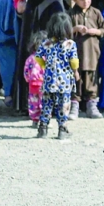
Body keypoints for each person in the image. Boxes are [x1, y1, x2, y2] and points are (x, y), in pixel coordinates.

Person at [13, 0, 67, 116]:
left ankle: (48, 105)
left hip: (50, 23)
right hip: (37, 23)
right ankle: (28, 105)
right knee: (35, 62)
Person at [34, 12, 78, 140]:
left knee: (47, 104)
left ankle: (43, 128)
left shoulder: (46, 43)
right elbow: (74, 62)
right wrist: (75, 70)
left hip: (49, 80)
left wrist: (45, 66)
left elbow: (37, 57)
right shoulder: (70, 44)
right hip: (64, 82)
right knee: (63, 104)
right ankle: (62, 129)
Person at [68, 0, 104, 119]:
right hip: (76, 55)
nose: (86, 1)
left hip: (92, 53)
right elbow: (65, 33)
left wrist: (94, 31)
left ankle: (91, 106)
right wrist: (75, 29)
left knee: (91, 78)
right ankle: (74, 106)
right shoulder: (71, 14)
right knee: (75, 78)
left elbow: (103, 30)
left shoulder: (96, 13)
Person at [23, 31, 47, 127]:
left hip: (32, 84)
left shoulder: (30, 58)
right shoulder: (47, 58)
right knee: (44, 102)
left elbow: (26, 71)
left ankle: (35, 120)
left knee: (34, 102)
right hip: (44, 84)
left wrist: (28, 79)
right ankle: (44, 121)